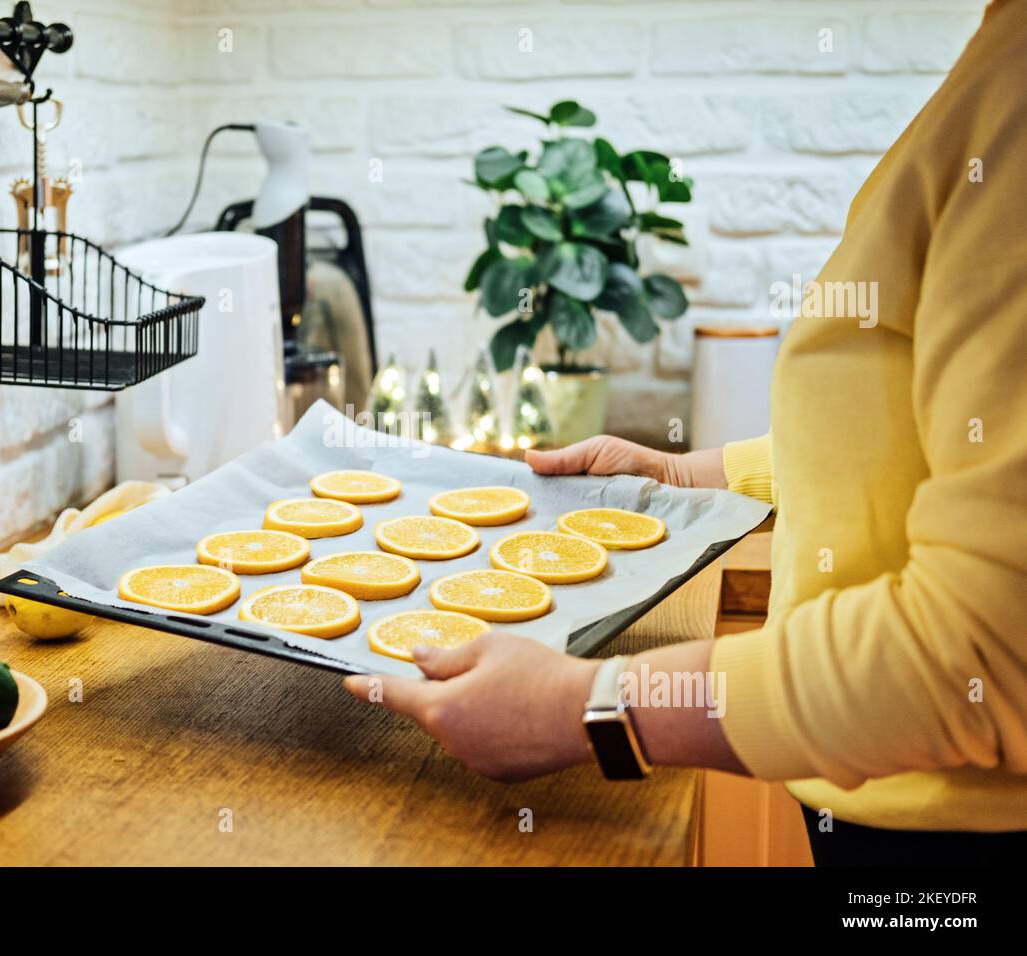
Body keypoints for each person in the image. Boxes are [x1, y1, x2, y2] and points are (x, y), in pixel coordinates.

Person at [345, 0, 1027, 865]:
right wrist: (689, 477)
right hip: (895, 785)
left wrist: (590, 705)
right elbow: (932, 446)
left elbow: (987, 655)